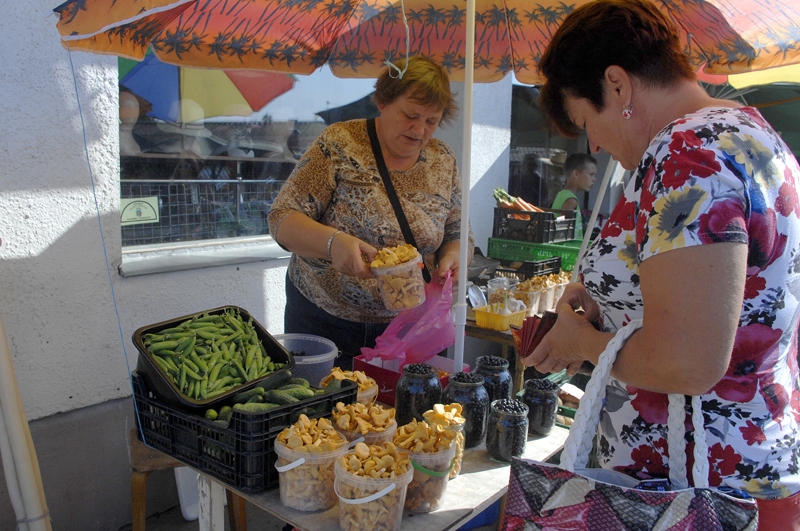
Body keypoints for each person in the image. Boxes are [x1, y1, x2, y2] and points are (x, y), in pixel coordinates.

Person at [524, 0, 800, 528]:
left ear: (618, 85)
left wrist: (582, 345)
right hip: (751, 467)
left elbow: (687, 361)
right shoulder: (750, 134)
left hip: (689, 494)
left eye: (589, 122)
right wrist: (607, 301)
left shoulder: (686, 153)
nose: (597, 145)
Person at [267, 56, 474, 371]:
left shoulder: (442, 158)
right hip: (325, 323)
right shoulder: (340, 144)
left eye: (432, 120)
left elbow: (458, 232)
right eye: (410, 115)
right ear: (383, 101)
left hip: (408, 327)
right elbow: (282, 218)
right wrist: (332, 243)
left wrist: (455, 259)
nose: (420, 130)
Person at [550, 152, 597, 239]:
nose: (594, 179)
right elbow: (561, 226)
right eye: (591, 174)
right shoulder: (571, 200)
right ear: (576, 173)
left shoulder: (562, 194)